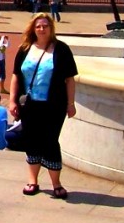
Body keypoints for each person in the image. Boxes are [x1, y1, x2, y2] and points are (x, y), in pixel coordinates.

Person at [9, 13, 79, 200]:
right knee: (31, 140)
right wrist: (12, 100)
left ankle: (56, 184)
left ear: (51, 28)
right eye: (38, 26)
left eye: (45, 26)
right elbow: (16, 75)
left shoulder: (61, 50)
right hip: (30, 104)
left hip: (54, 104)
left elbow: (70, 79)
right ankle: (33, 180)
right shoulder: (24, 49)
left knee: (50, 141)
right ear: (33, 28)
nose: (42, 29)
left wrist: (71, 103)